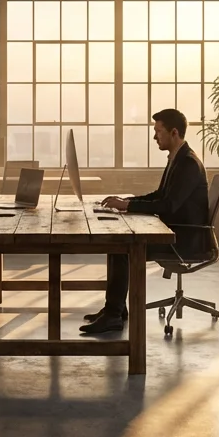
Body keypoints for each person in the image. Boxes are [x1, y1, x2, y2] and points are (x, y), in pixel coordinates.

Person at [79, 108, 209, 334]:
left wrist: (127, 206)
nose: (154, 136)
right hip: (175, 231)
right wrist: (127, 201)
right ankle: (116, 310)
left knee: (121, 247)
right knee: (117, 245)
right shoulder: (178, 159)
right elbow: (159, 196)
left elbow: (168, 206)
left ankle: (113, 314)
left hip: (184, 239)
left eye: (159, 131)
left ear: (174, 132)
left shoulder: (188, 164)